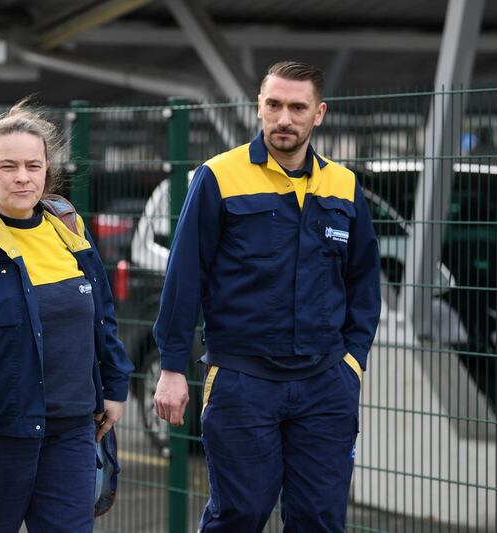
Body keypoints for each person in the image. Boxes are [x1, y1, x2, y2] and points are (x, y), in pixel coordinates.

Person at [153, 61, 381, 532]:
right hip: (243, 380)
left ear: (318, 114)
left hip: (325, 383)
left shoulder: (343, 185)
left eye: (297, 108)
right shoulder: (219, 177)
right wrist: (173, 367)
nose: (284, 119)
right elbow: (184, 277)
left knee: (319, 519)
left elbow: (364, 283)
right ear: (259, 107)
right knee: (240, 515)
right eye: (274, 105)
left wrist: (352, 362)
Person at [0, 98, 133, 533]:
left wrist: (115, 384)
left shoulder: (67, 226)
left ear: (47, 171)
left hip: (72, 429)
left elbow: (101, 314)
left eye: (33, 166)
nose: (22, 177)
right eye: (8, 166)